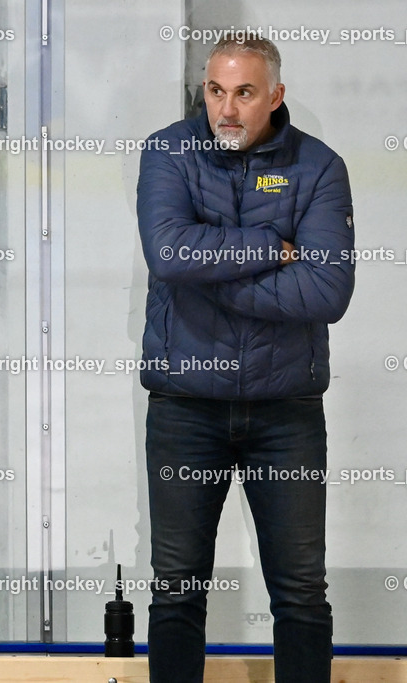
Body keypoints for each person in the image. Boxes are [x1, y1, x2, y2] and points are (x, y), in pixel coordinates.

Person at [136, 34, 354, 682]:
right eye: (215, 90)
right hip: (184, 409)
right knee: (176, 591)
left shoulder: (318, 168)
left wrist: (210, 268)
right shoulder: (168, 153)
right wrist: (270, 243)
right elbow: (170, 254)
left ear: (276, 96)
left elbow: (326, 289)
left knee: (301, 594)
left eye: (244, 92)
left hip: (286, 412)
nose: (226, 108)